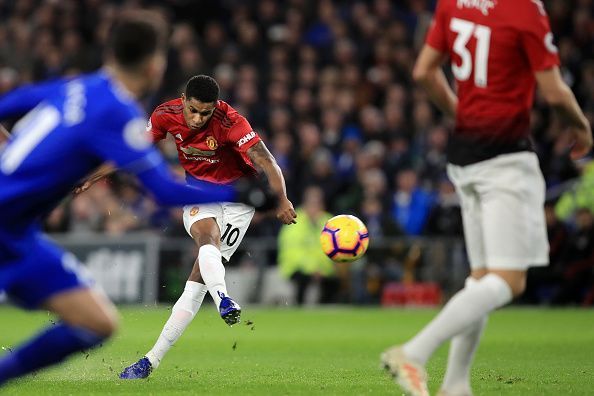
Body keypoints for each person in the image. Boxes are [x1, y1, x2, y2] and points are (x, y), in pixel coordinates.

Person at [0, 11, 274, 387]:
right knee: (96, 324)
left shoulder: (75, 85)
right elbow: (163, 190)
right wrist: (242, 192)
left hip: (17, 234)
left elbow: (11, 104)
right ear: (154, 66)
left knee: (97, 322)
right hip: (8, 226)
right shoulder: (119, 113)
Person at [380, 1, 593, 395]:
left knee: (481, 278)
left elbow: (424, 71)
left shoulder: (452, 4)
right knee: (509, 281)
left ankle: (456, 385)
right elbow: (555, 93)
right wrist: (583, 128)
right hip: (505, 157)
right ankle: (414, 352)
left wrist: (460, 114)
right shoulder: (525, 9)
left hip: (464, 156)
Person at [119, 74, 297, 379]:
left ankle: (150, 361)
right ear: (184, 100)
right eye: (194, 110)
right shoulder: (165, 115)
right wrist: (91, 176)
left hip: (240, 201)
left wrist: (281, 199)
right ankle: (224, 299)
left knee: (196, 281)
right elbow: (132, 152)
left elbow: (268, 162)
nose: (199, 118)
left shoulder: (231, 122)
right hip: (201, 192)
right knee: (206, 237)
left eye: (206, 112)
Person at [278, 185, 336, 305]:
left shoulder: (329, 222)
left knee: (334, 282)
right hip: (297, 268)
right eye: (311, 204)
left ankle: (326, 308)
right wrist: (313, 269)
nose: (314, 208)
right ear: (305, 204)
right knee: (302, 280)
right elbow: (292, 252)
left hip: (322, 269)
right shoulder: (293, 220)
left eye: (317, 203)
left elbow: (332, 249)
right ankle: (299, 307)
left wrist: (322, 270)